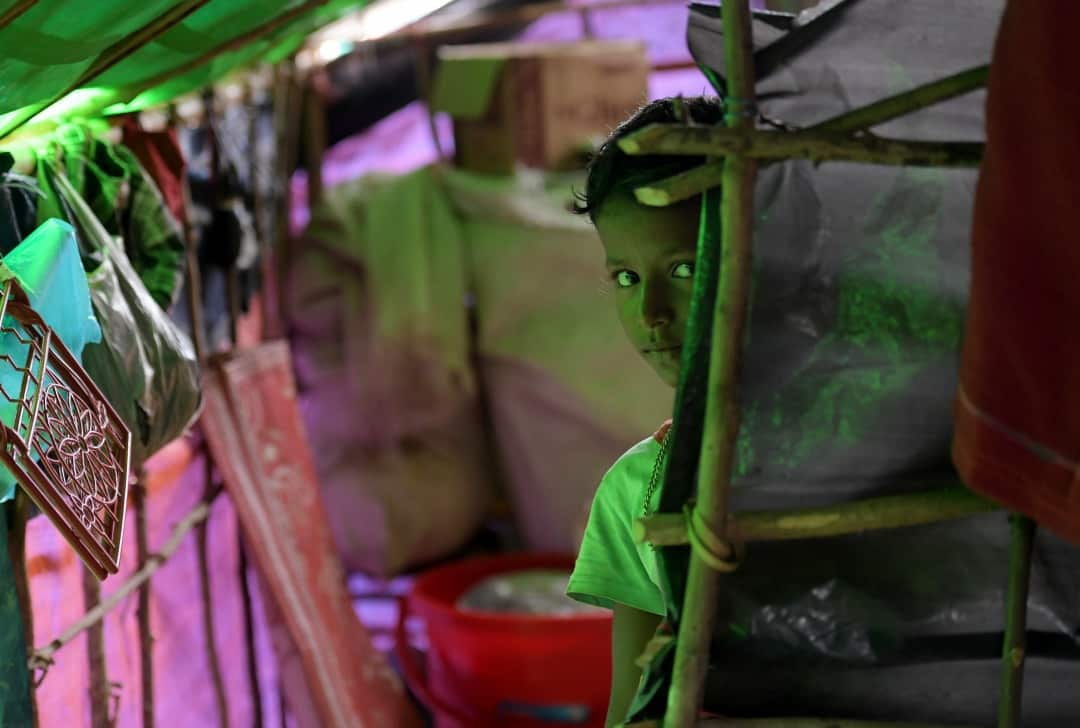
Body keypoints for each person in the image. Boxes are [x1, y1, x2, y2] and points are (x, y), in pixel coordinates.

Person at [565, 95, 723, 728]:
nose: (651, 312)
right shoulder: (637, 488)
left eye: (683, 268)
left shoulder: (869, 452)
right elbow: (633, 710)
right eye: (626, 278)